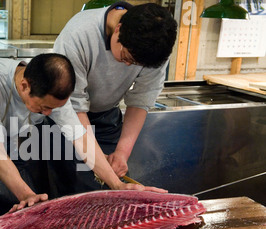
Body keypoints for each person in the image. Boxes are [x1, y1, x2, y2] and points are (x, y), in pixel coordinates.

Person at [0, 53, 166, 229]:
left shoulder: (54, 91)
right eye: (44, 108)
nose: (48, 114)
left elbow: (80, 139)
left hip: (12, 149)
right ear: (24, 85)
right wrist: (26, 193)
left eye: (53, 110)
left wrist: (116, 184)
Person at [49, 2, 178, 197]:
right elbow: (73, 106)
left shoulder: (156, 47)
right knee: (71, 192)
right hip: (67, 116)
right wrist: (112, 180)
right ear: (118, 29)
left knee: (112, 192)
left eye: (136, 64)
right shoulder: (79, 34)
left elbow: (140, 100)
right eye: (126, 57)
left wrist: (122, 153)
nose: (128, 66)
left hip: (106, 117)